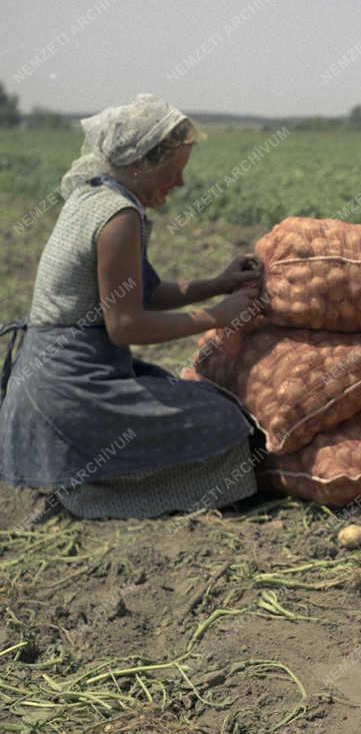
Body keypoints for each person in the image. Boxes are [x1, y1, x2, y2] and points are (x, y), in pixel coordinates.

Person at [0, 94, 265, 520]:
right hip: (73, 391)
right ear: (142, 162)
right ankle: (90, 495)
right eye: (174, 170)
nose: (179, 183)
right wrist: (217, 316)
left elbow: (141, 292)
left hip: (48, 384)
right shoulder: (119, 215)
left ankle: (82, 482)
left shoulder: (94, 197)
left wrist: (218, 284)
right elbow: (125, 325)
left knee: (203, 405)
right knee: (225, 423)